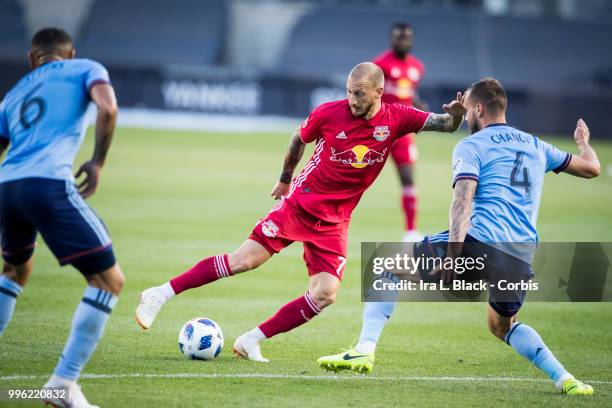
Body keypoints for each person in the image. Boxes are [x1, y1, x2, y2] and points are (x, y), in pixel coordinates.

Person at [136, 62, 466, 362]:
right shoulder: (328, 114)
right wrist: (284, 179)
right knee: (244, 261)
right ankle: (159, 294)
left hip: (336, 221)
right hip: (301, 204)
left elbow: (446, 125)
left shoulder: (397, 117)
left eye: (360, 94)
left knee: (325, 294)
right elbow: (298, 138)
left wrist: (457, 115)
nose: (352, 99)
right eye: (349, 92)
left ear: (379, 92)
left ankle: (251, 339)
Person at [317, 78, 599, 396]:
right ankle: (567, 380)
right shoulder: (535, 145)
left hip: (478, 245)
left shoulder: (471, 146)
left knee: (385, 265)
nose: (464, 117)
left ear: (478, 109)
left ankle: (364, 348)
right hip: (520, 258)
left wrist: (453, 255)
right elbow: (591, 168)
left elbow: (462, 199)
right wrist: (583, 142)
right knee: (501, 326)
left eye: (466, 111)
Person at [0, 28, 123, 408]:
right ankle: (62, 383)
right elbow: (108, 107)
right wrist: (98, 162)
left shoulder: (14, 93)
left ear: (31, 58)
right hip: (47, 183)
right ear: (68, 55)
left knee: (14, 271)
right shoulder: (86, 68)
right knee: (108, 281)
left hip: (7, 187)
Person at [373, 22, 427, 241]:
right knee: (357, 173)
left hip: (402, 133)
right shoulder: (380, 65)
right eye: (398, 37)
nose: (402, 41)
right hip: (378, 130)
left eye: (406, 38)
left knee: (407, 178)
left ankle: (411, 231)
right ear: (391, 39)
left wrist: (418, 104)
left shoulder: (417, 67)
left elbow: (408, 93)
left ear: (411, 40)